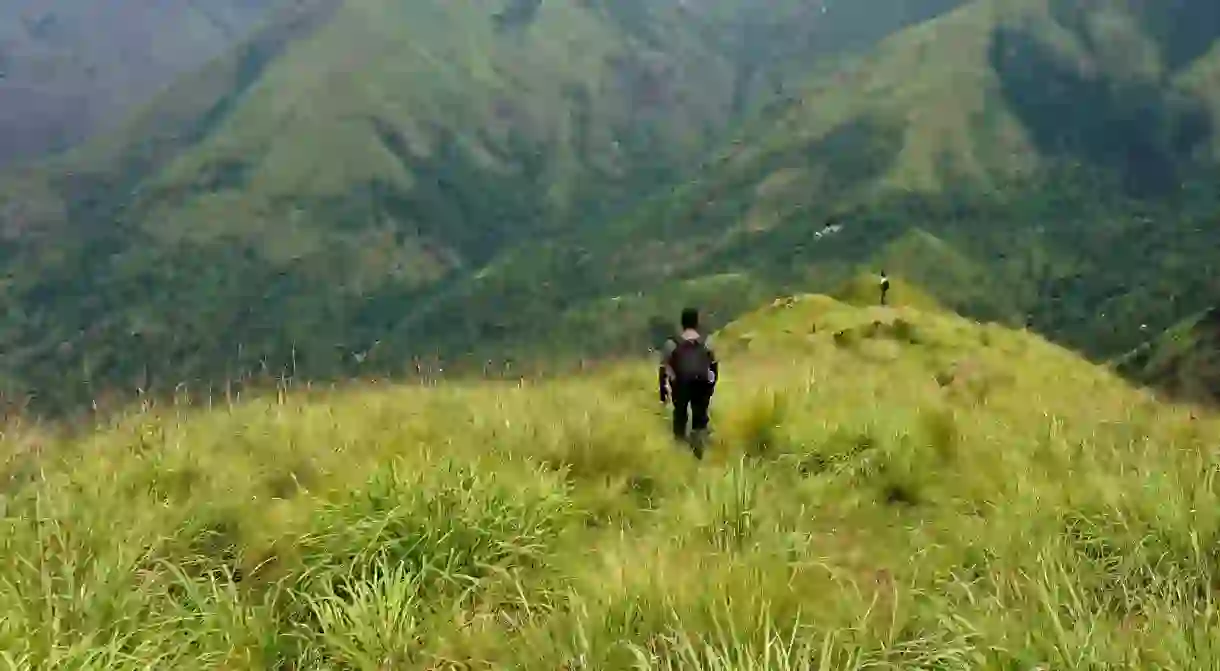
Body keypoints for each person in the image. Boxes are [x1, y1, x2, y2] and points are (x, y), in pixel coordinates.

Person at [658, 308, 719, 458]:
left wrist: (663, 390)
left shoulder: (672, 344)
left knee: (680, 415)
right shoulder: (706, 342)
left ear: (682, 324)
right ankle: (698, 450)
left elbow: (664, 368)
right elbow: (714, 367)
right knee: (700, 417)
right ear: (697, 322)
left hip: (681, 384)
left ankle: (679, 450)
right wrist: (710, 387)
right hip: (701, 385)